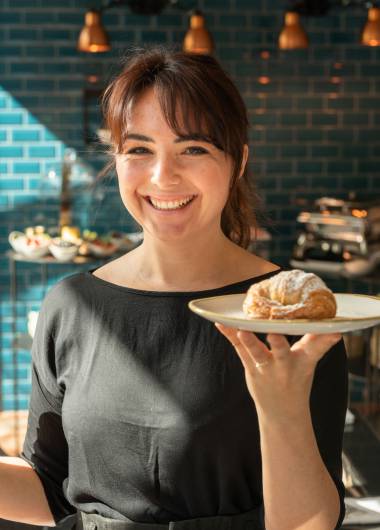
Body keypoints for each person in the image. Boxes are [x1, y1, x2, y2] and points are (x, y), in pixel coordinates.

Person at [0, 47, 347, 530]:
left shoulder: (289, 317)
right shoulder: (71, 304)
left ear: (238, 161)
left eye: (194, 149)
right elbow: (51, 490)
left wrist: (282, 410)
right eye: (139, 149)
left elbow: (310, 523)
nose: (164, 176)